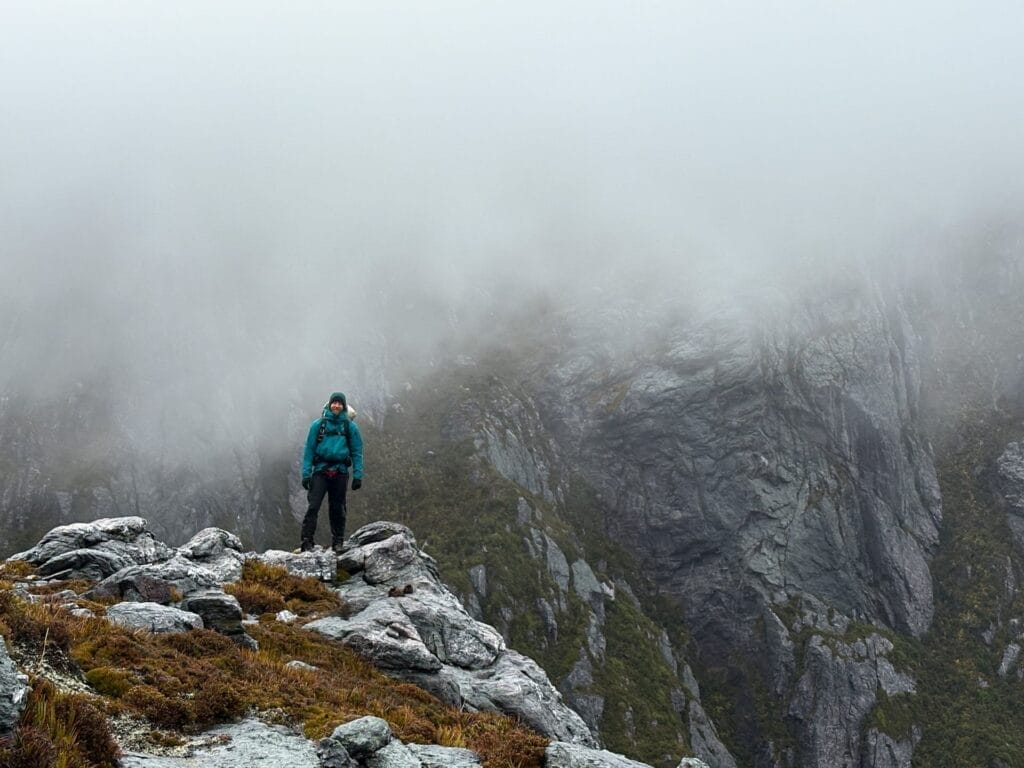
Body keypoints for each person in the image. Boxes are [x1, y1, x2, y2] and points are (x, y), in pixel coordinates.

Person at [300, 391, 363, 553]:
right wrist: (306, 474)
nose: (336, 405)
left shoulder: (350, 427)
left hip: (340, 471)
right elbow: (309, 450)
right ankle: (307, 542)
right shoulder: (318, 425)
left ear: (343, 406)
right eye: (334, 403)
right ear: (329, 404)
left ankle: (338, 542)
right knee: (313, 506)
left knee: (338, 508)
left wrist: (358, 475)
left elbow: (357, 451)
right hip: (320, 471)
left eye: (339, 403)